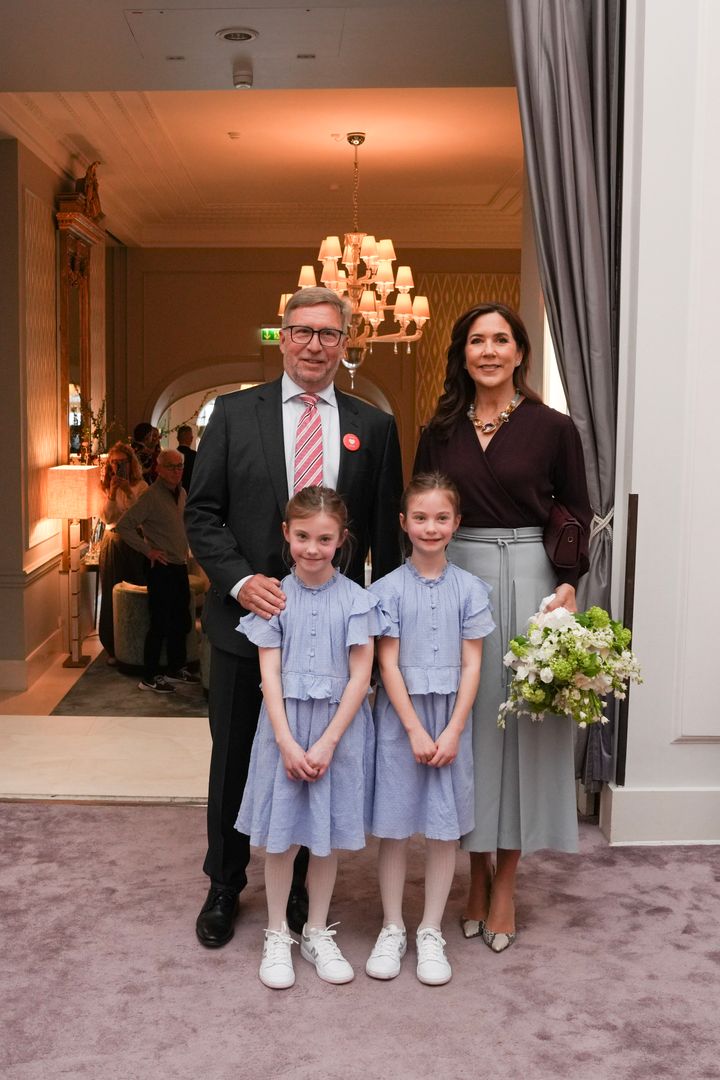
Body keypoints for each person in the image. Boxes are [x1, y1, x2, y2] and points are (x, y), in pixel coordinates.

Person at [184, 286, 404, 948]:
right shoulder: (230, 413)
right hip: (244, 626)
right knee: (234, 759)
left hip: (333, 638)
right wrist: (243, 579)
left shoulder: (375, 425)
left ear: (347, 343)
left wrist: (379, 636)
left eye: (329, 334)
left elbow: (384, 545)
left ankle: (307, 892)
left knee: (316, 759)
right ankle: (225, 883)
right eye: (302, 332)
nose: (314, 345)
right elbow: (202, 513)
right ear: (281, 336)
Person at [414, 303, 591, 953]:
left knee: (522, 730)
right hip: (455, 573)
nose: (488, 350)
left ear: (520, 353)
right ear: (462, 353)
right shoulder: (438, 428)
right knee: (465, 727)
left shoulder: (554, 427)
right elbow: (423, 508)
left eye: (501, 340)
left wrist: (569, 579)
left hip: (532, 578)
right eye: (476, 341)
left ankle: (507, 880)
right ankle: (473, 872)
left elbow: (575, 506)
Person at [236, 486, 384, 989]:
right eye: (303, 537)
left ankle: (317, 929)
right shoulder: (273, 599)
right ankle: (277, 933)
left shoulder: (359, 602)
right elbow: (269, 676)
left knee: (324, 838)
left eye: (324, 538)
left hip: (336, 738)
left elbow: (361, 679)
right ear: (286, 534)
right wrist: (286, 741)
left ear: (342, 540)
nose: (312, 548)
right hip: (285, 731)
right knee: (281, 836)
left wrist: (326, 744)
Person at [366, 474, 494, 985]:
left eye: (442, 517)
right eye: (420, 517)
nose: (431, 527)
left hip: (451, 723)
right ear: (403, 523)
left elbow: (472, 666)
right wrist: (416, 729)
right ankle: (393, 926)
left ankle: (430, 930)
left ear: (456, 523)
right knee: (395, 826)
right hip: (403, 724)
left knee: (444, 827)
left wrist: (454, 729)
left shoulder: (470, 590)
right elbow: (388, 665)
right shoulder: (385, 591)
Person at [116, 449, 200, 694]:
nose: (177, 471)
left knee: (182, 620)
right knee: (160, 622)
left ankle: (175, 668)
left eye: (180, 466)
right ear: (159, 469)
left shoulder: (182, 493)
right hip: (160, 568)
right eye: (172, 467)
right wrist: (148, 550)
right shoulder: (151, 497)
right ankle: (149, 676)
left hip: (179, 566)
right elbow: (124, 526)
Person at [97, 442, 148, 664]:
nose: (118, 467)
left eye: (122, 462)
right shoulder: (104, 486)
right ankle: (112, 647)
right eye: (114, 463)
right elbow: (107, 518)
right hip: (113, 541)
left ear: (131, 463)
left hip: (135, 542)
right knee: (111, 593)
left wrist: (128, 490)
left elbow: (140, 516)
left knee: (136, 591)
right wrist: (113, 493)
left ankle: (136, 643)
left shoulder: (141, 486)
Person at [176, 425, 197, 493]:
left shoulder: (171, 454)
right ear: (191, 439)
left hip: (174, 490)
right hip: (191, 491)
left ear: (177, 438)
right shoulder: (195, 455)